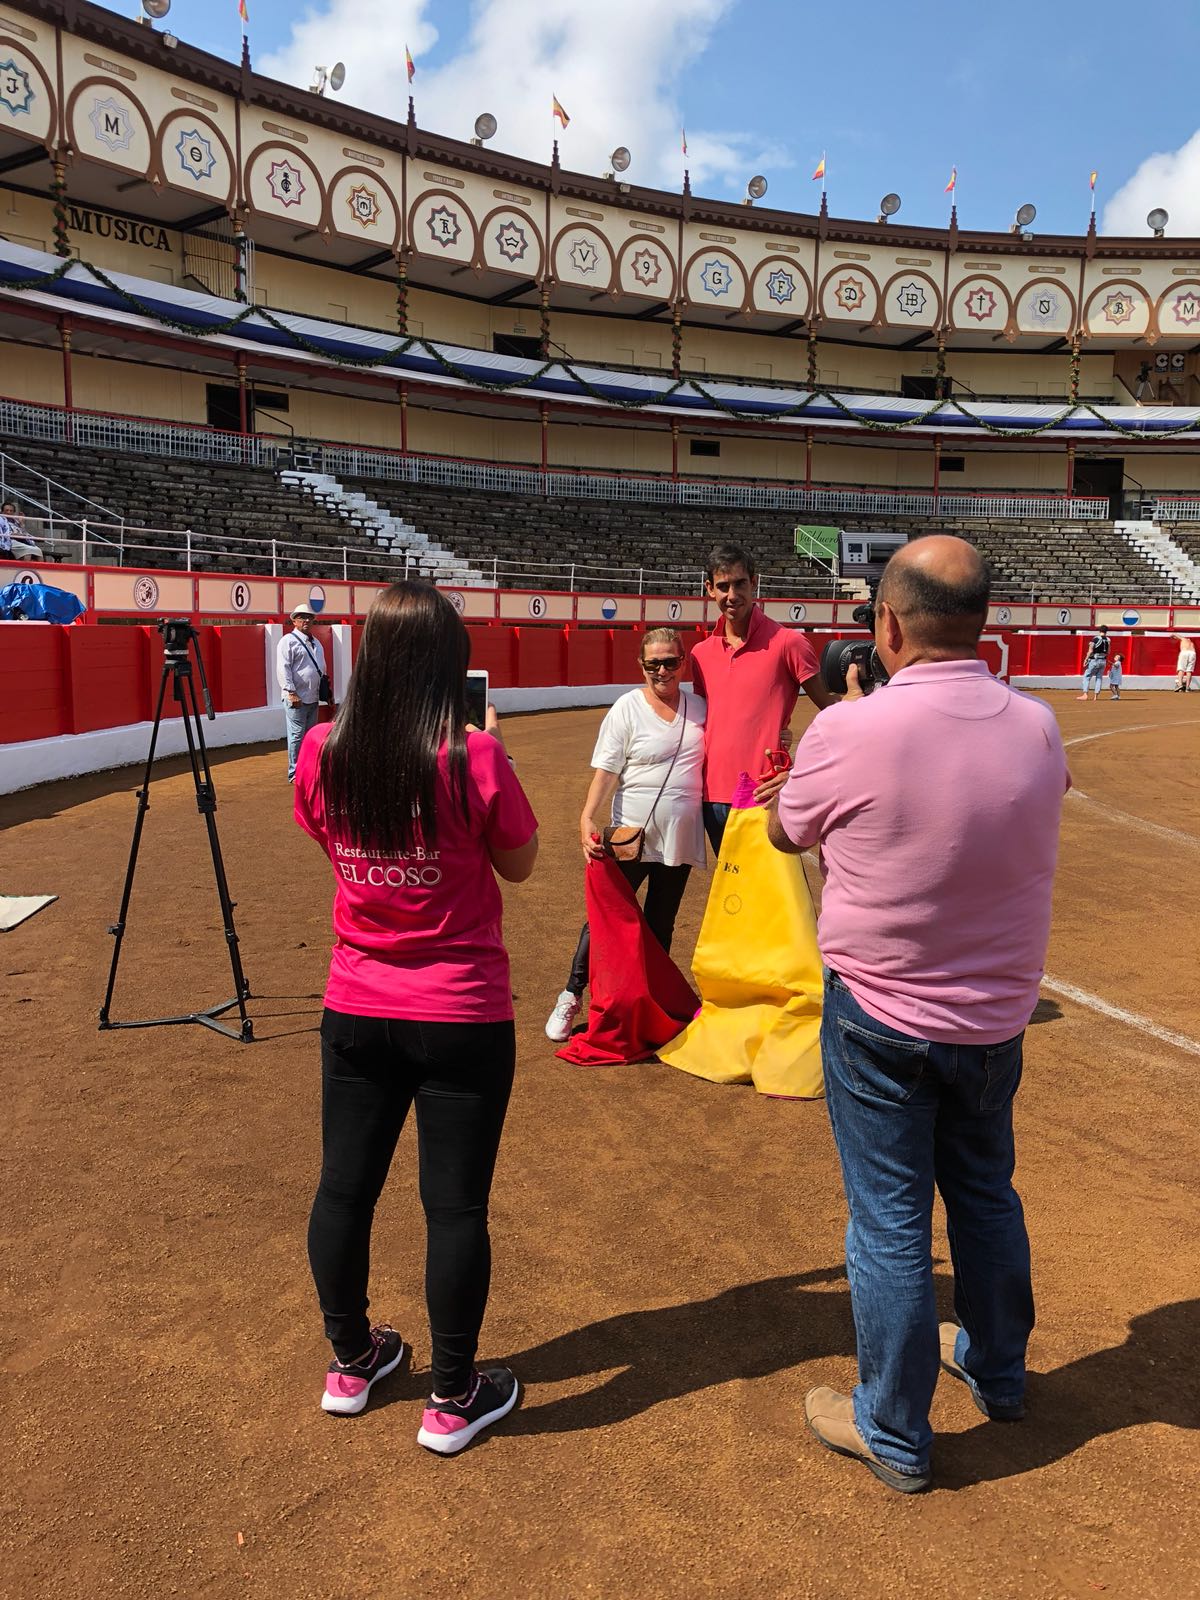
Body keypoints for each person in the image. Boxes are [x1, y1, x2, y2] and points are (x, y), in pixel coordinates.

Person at [765, 535, 1069, 1494]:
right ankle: (999, 1370)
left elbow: (785, 830)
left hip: (880, 1014)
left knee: (890, 1220)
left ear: (887, 626)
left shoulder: (848, 732)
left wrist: (849, 727)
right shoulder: (1038, 726)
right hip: (994, 1018)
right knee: (985, 1193)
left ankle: (894, 1428)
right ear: (982, 623)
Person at [293, 581, 539, 1454]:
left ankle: (352, 1360)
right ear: (446, 667)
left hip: (356, 1001)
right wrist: (485, 755)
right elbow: (520, 863)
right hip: (460, 1010)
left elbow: (327, 841)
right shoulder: (474, 756)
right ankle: (453, 1393)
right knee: (455, 1207)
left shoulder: (322, 749)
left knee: (343, 1188)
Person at [545, 627, 706, 1042]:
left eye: (670, 662)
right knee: (606, 919)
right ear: (641, 665)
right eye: (653, 664)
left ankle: (652, 1000)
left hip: (680, 836)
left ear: (682, 662)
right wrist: (586, 816)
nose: (662, 671)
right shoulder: (627, 707)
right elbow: (607, 771)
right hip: (630, 837)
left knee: (661, 924)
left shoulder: (701, 708)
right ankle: (571, 994)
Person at [690, 542, 832, 853]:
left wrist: (799, 770)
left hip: (765, 793)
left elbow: (834, 714)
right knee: (730, 882)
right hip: (712, 795)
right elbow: (704, 721)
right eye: (723, 586)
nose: (732, 595)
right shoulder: (700, 654)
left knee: (769, 885)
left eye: (740, 584)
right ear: (709, 589)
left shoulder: (788, 643)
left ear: (754, 583)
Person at [277, 602, 326, 781]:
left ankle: (308, 769)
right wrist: (290, 691)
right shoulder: (287, 641)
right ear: (294, 621)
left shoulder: (316, 642)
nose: (306, 620)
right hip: (296, 696)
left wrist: (325, 691)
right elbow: (283, 668)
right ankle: (295, 772)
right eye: (302, 617)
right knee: (297, 735)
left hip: (312, 696)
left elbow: (322, 668)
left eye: (309, 617)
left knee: (310, 734)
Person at [1078, 624, 1109, 701]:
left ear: (1099, 631)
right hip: (1103, 661)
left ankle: (1085, 694)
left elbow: (1090, 650)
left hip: (1095, 660)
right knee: (1099, 678)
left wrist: (1086, 659)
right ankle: (1096, 696)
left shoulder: (1095, 639)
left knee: (1087, 676)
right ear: (1106, 631)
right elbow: (1108, 651)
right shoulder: (1108, 640)